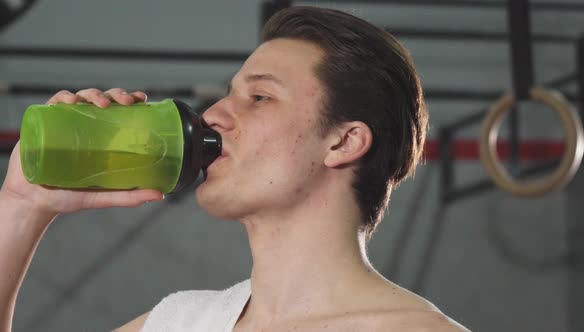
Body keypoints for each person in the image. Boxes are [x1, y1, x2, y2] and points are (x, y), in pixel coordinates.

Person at [0, 6, 470, 332]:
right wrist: (22, 207)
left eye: (259, 97)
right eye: (228, 93)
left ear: (343, 141)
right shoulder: (179, 322)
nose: (214, 115)